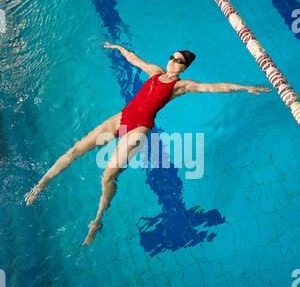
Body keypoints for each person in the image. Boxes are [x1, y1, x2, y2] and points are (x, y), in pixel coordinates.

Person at [24, 42, 271, 245]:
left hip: (139, 128)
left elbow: (213, 87)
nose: (172, 62)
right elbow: (135, 59)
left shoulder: (180, 85)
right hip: (122, 117)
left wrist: (244, 87)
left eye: (178, 61)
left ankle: (96, 220)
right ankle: (41, 184)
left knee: (108, 176)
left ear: (184, 68)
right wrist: (118, 47)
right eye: (172, 58)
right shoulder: (154, 72)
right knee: (77, 149)